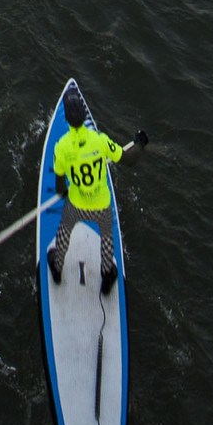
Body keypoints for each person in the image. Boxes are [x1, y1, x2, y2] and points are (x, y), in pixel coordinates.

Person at [46, 84, 147, 294]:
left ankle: (57, 267)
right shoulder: (100, 141)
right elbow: (129, 159)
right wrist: (140, 143)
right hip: (101, 205)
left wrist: (64, 192)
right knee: (107, 237)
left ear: (67, 119)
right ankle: (107, 275)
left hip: (76, 205)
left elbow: (59, 184)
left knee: (64, 232)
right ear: (84, 116)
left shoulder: (61, 147)